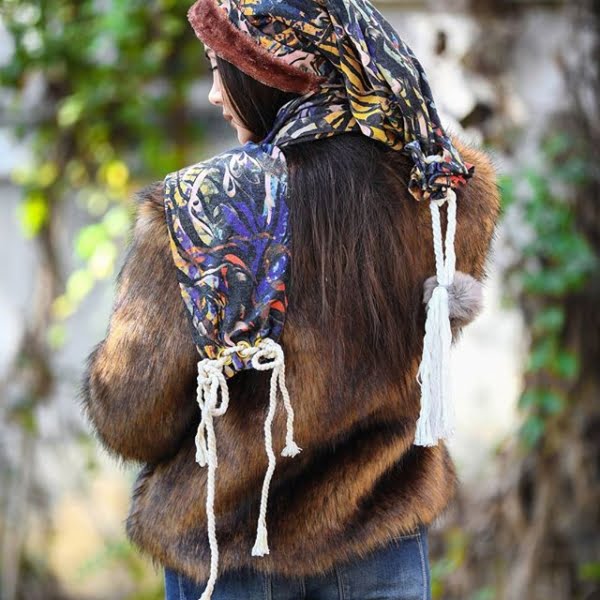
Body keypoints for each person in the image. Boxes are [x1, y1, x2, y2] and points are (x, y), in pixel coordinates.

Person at [80, 1, 502, 599]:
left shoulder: (202, 211)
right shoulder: (444, 190)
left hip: (229, 549)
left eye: (219, 67)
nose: (212, 96)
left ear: (270, 72)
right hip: (381, 537)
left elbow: (132, 417)